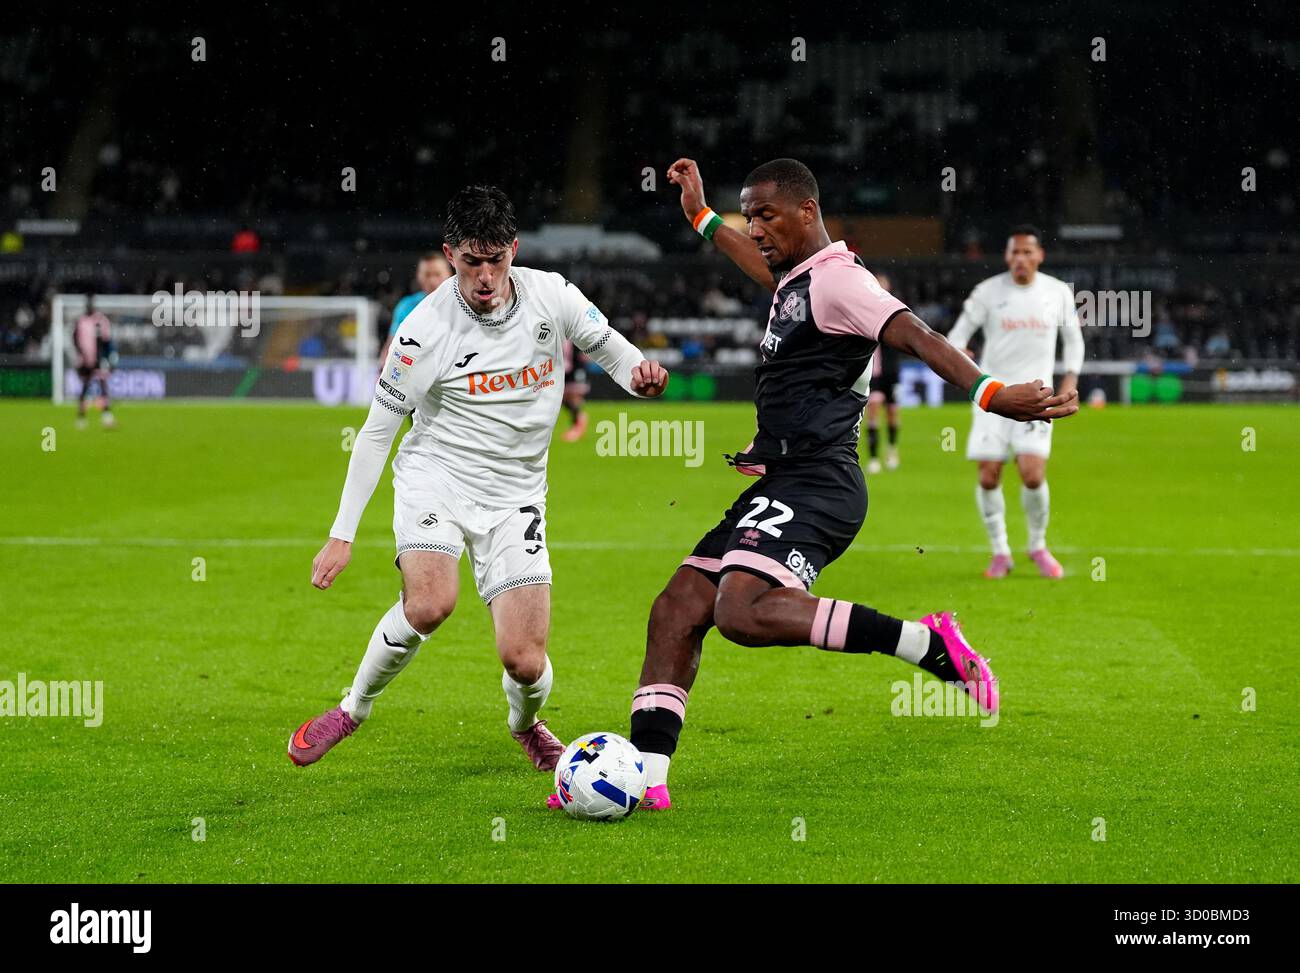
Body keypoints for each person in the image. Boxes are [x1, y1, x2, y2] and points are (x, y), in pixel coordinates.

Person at [547, 159, 1076, 811]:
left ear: (807, 211)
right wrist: (702, 216)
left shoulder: (841, 282)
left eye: (765, 214)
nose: (756, 227)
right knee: (677, 608)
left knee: (740, 611)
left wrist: (993, 393)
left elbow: (915, 332)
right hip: (785, 478)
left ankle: (926, 644)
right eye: (750, 214)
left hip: (822, 481)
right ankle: (647, 778)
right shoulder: (794, 276)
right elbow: (754, 259)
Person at [289, 186, 668, 771]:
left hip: (516, 495)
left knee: (524, 659)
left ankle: (526, 724)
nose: (485, 276)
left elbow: (607, 347)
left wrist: (637, 374)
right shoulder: (422, 333)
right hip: (436, 476)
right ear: (450, 254)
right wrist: (342, 532)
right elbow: (375, 433)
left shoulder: (552, 294)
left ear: (513, 250)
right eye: (471, 261)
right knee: (432, 602)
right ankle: (352, 709)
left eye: (496, 259)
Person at [946, 226, 1084, 579]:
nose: (1020, 259)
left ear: (1040, 256)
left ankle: (1037, 545)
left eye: (1027, 252)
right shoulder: (987, 293)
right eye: (1014, 253)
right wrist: (960, 354)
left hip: (1038, 397)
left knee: (1032, 474)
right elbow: (955, 338)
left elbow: (1073, 340)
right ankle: (1000, 552)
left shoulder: (1056, 293)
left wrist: (1070, 379)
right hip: (993, 397)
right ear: (1007, 257)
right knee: (989, 476)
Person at [379, 253, 453, 365]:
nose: (432, 281)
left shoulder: (462, 306)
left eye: (437, 274)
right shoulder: (406, 306)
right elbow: (392, 344)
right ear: (419, 276)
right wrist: (382, 369)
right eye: (427, 275)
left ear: (449, 275)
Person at [863, 271, 901, 473]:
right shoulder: (865, 309)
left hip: (891, 371)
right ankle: (874, 458)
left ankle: (892, 450)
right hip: (873, 371)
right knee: (874, 409)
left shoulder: (894, 310)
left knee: (893, 412)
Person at [73, 297, 116, 430]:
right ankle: (81, 417)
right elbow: (74, 339)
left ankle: (106, 417)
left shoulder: (101, 320)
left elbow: (107, 340)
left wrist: (109, 357)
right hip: (85, 360)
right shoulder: (81, 322)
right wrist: (80, 354)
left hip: (99, 359)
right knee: (85, 387)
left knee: (102, 386)